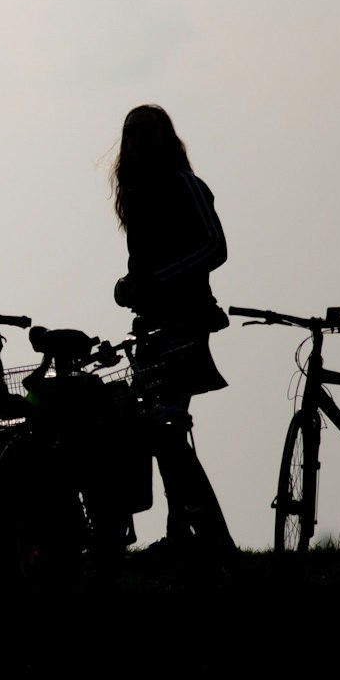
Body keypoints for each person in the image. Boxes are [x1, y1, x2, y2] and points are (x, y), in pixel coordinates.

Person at [108, 103, 236, 559]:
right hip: (152, 325)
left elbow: (215, 247)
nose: (139, 141)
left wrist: (156, 280)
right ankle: (187, 537)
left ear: (165, 137)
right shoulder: (138, 194)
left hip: (184, 321)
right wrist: (128, 286)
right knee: (162, 431)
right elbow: (142, 268)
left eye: (146, 132)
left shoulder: (184, 185)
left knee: (166, 427)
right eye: (132, 133)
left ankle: (205, 540)